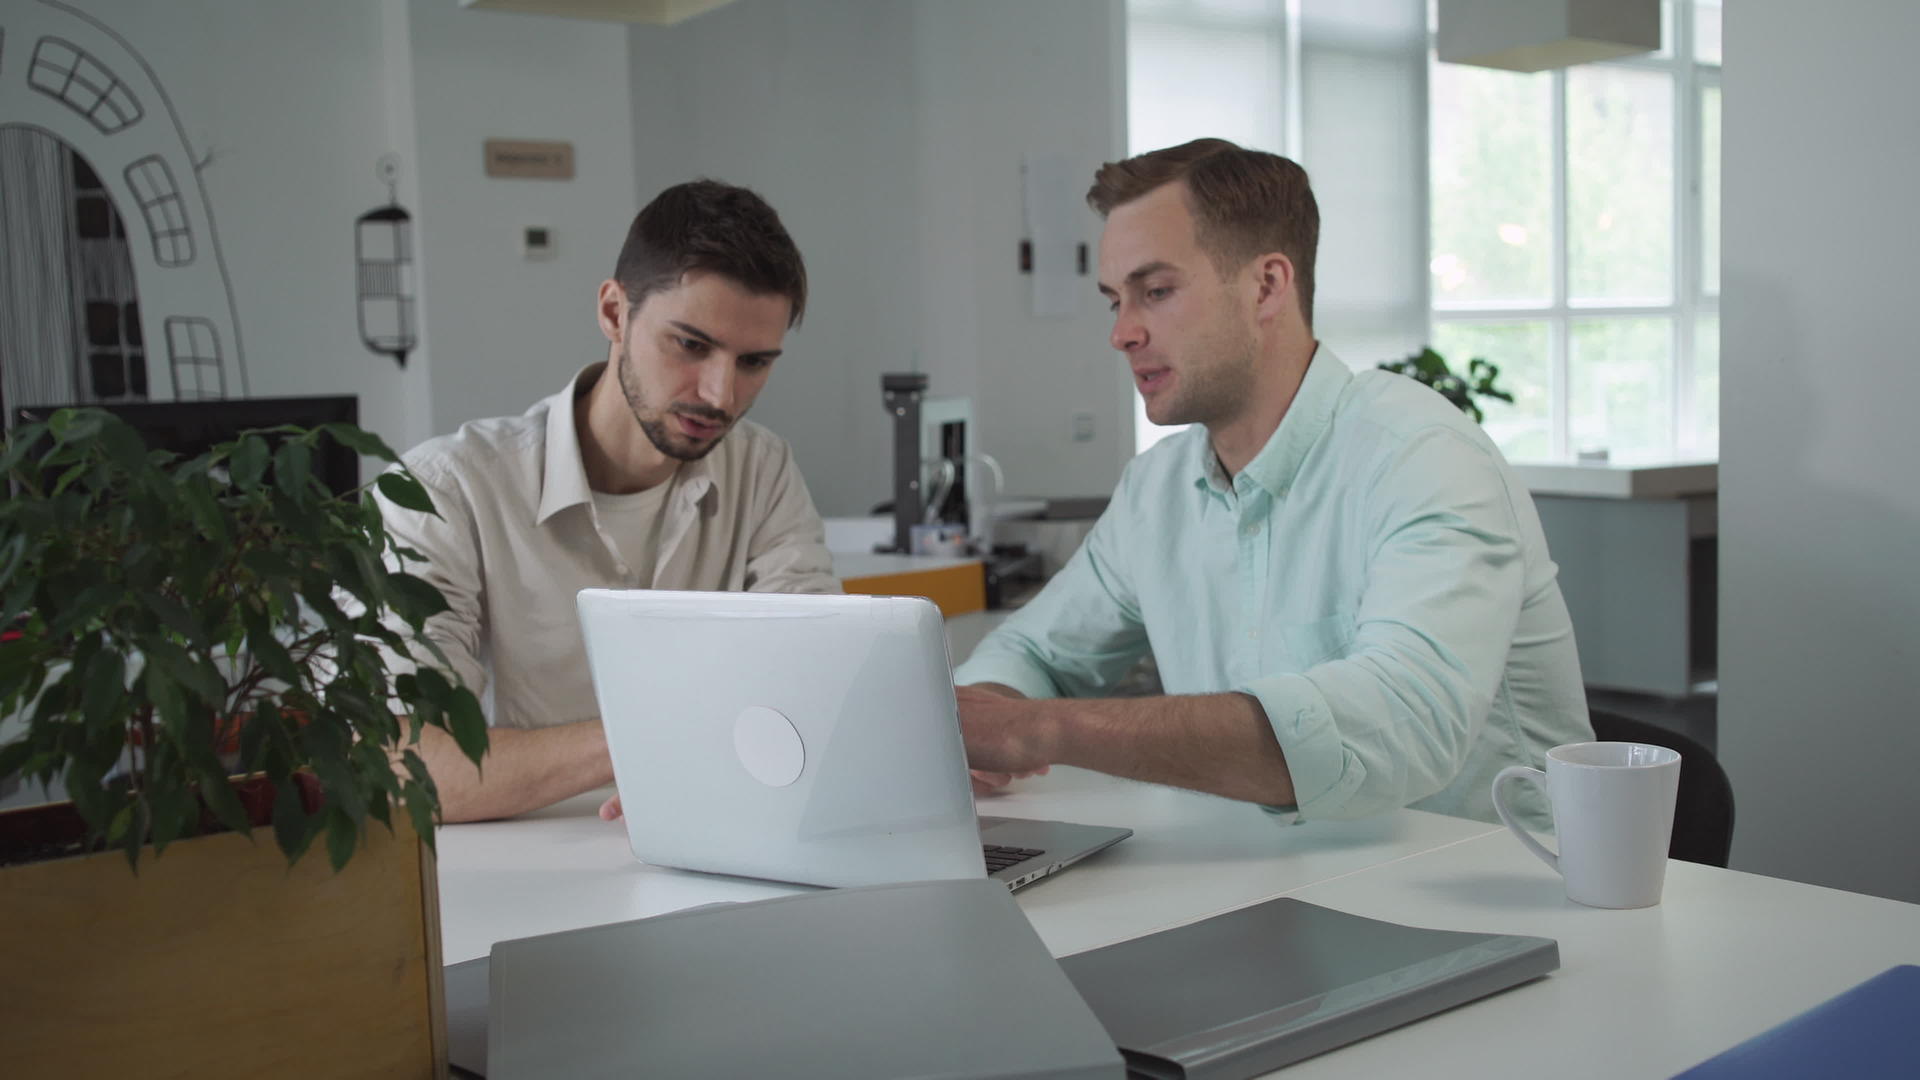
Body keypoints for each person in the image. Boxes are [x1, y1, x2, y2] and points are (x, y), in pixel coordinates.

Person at [953, 139, 1590, 833]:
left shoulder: (1422, 455)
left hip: (1488, 898)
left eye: (1156, 292)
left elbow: (1405, 722)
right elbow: (1035, 653)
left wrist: (1042, 731)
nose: (1122, 333)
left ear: (1267, 286)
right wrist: (990, 714)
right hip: (1273, 885)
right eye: (1115, 301)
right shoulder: (1157, 490)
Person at [375, 180, 839, 823]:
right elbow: (399, 766)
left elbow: (814, 688)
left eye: (755, 362)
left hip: (720, 842)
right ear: (615, 313)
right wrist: (645, 741)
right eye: (691, 345)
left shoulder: (762, 470)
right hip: (508, 882)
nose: (720, 395)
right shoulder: (446, 489)